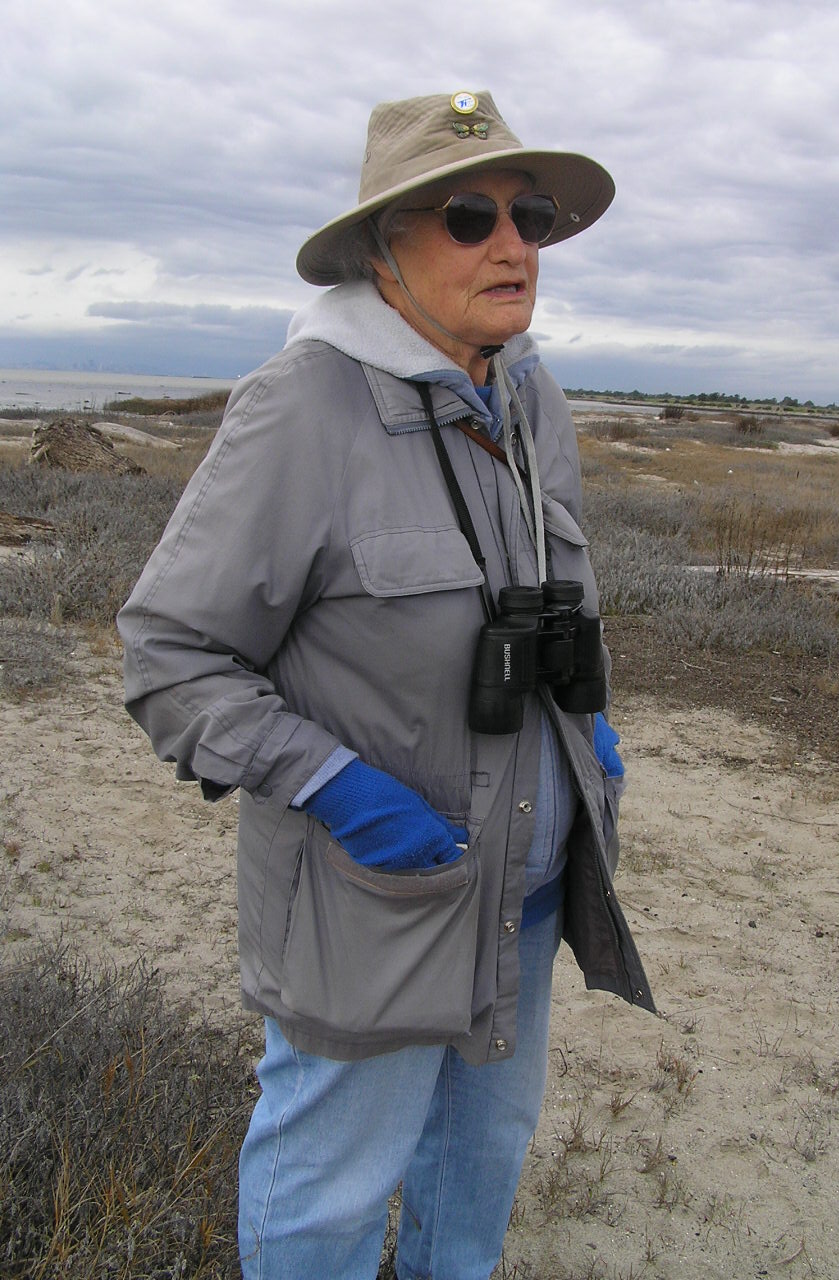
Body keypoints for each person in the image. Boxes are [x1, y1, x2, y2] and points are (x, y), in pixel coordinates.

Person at [118, 89, 656, 1280]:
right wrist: (336, 780)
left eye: (530, 214)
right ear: (382, 249)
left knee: (476, 1178)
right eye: (470, 214)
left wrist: (591, 730)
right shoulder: (301, 406)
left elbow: (552, 601)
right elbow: (169, 654)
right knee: (327, 1204)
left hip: (521, 892)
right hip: (378, 899)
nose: (513, 241)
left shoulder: (530, 397)